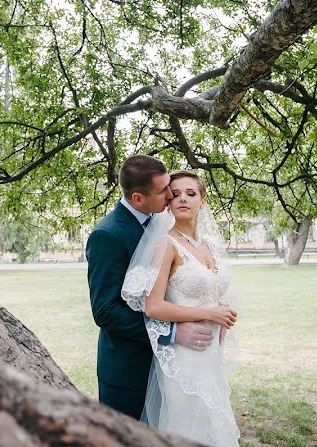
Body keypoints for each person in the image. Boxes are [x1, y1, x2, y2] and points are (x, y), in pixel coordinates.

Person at [86, 155, 215, 420]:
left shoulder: (162, 220)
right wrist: (171, 333)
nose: (171, 196)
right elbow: (106, 311)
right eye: (164, 191)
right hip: (129, 370)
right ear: (137, 199)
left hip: (173, 368)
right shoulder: (107, 236)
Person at [121, 169, 241, 447]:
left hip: (210, 354)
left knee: (213, 423)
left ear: (203, 200)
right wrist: (209, 313)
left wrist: (220, 309)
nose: (183, 199)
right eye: (175, 195)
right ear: (169, 204)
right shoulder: (166, 244)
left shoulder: (209, 244)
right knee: (187, 426)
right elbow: (154, 306)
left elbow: (207, 290)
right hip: (184, 356)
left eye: (191, 193)